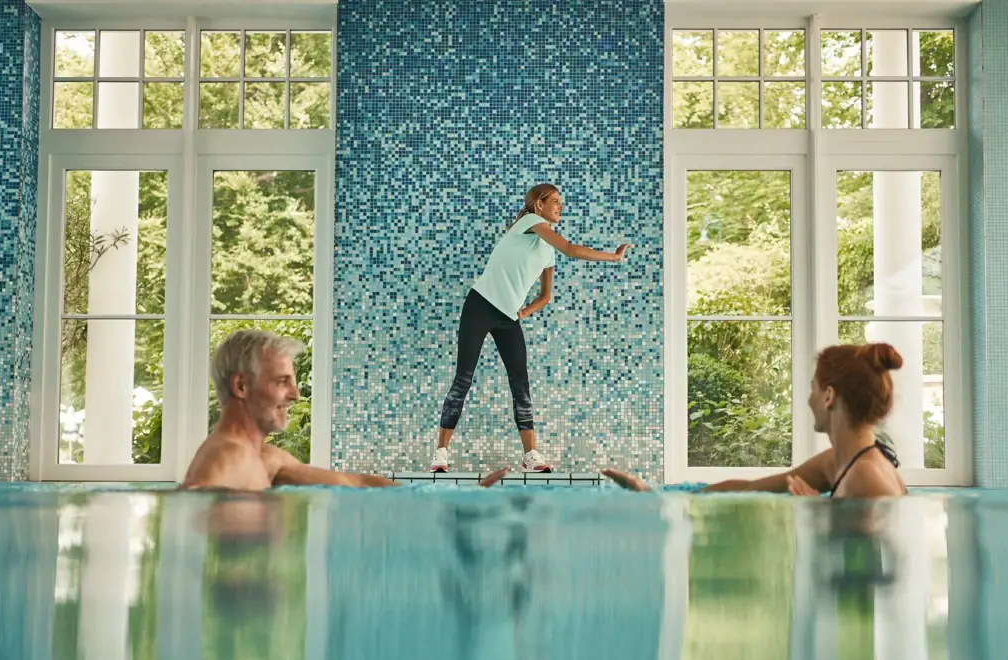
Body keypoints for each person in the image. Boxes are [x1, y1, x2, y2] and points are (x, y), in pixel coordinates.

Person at [431, 183, 633, 473]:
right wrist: (613, 257)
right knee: (463, 378)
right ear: (539, 205)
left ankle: (530, 455)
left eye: (560, 202)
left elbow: (545, 296)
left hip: (507, 317)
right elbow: (571, 250)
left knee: (520, 384)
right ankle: (440, 453)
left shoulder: (546, 251)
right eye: (554, 201)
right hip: (480, 304)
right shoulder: (529, 222)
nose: (560, 207)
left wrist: (523, 311)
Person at [183, 329, 507, 490]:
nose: (295, 395)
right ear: (241, 386)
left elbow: (354, 482)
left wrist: (460, 495)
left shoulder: (266, 458)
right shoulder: (227, 457)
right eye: (282, 381)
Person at [604, 343, 909, 498]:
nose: (808, 400)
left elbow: (882, 565)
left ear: (828, 396)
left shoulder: (867, 477)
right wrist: (655, 497)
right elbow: (751, 489)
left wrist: (815, 516)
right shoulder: (838, 463)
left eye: (812, 389)